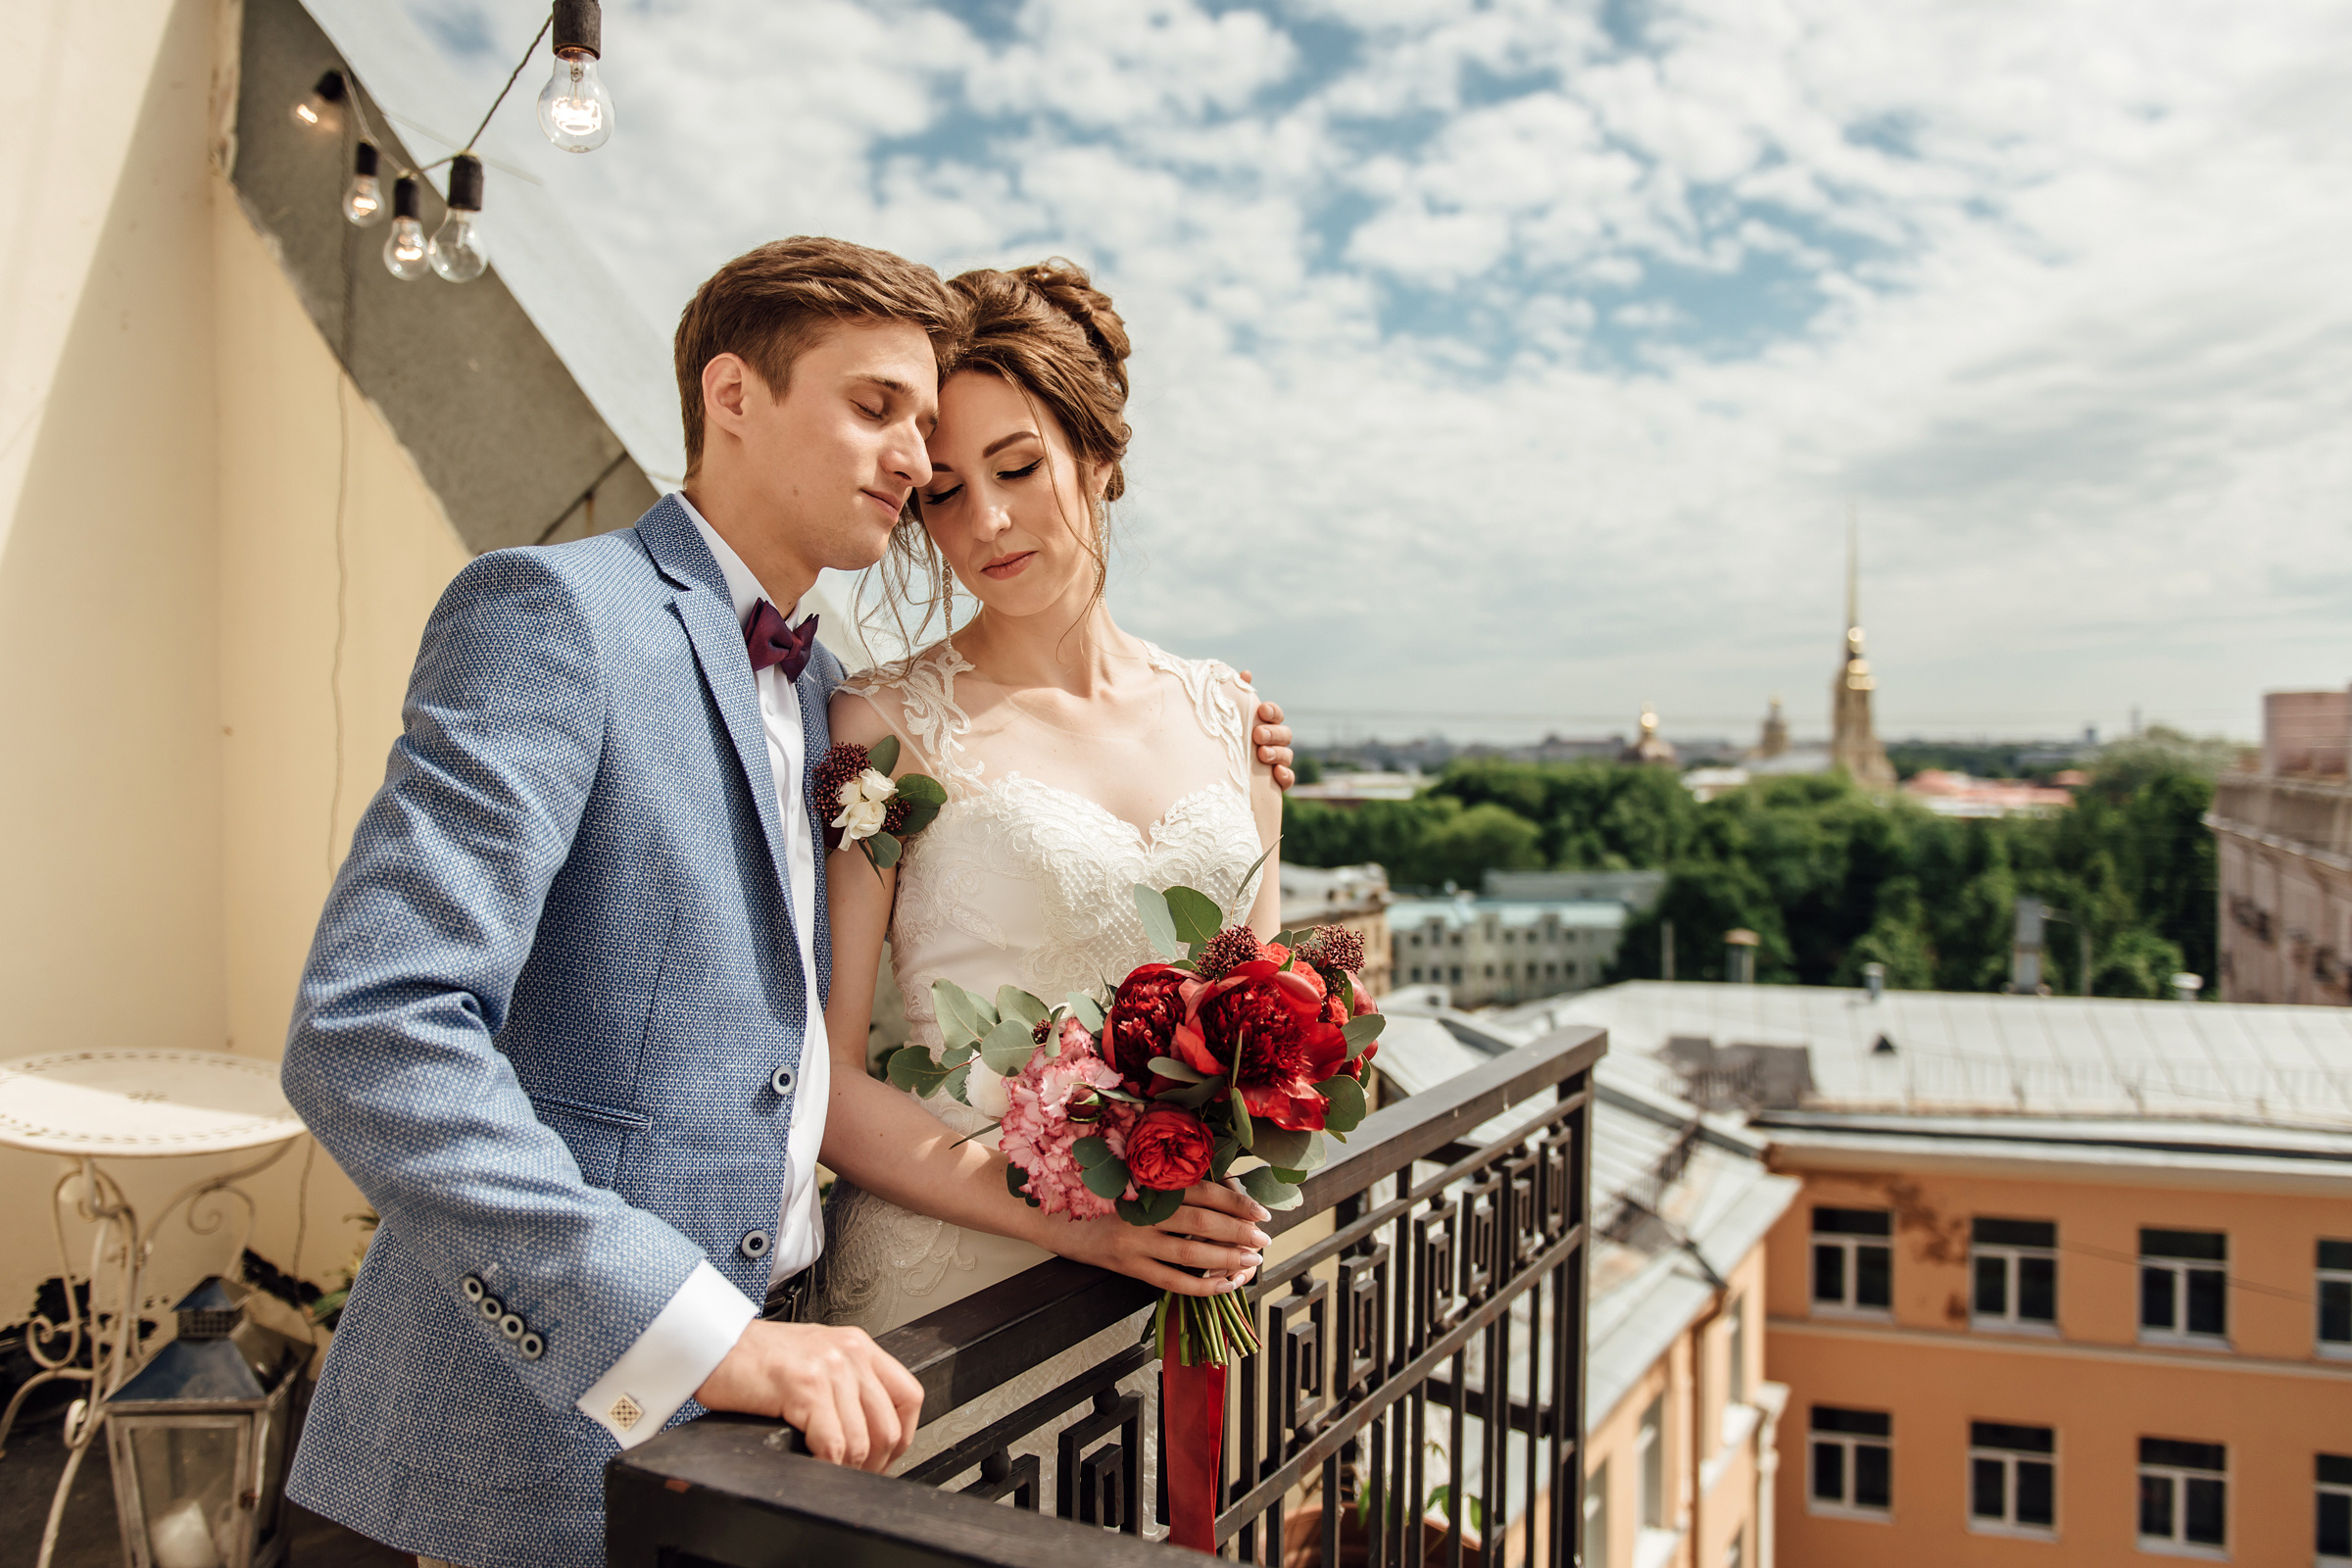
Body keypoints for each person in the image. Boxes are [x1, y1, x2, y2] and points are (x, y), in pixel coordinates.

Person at [277, 237, 1298, 1568]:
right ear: (733, 397)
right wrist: (706, 1336)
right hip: (508, 1453)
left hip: (787, 1423)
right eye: (882, 414)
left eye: (929, 435)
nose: (921, 474)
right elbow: (369, 1029)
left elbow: (782, 1054)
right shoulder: (557, 615)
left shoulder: (831, 706)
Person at [812, 261, 1287, 1466]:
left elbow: (1261, 1024)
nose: (986, 524)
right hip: (947, 1315)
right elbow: (820, 1075)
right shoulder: (882, 726)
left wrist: (1211, 1191)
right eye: (945, 493)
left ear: (1101, 455)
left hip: (1165, 1304)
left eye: (1019, 468)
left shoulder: (1232, 716)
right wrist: (1079, 1223)